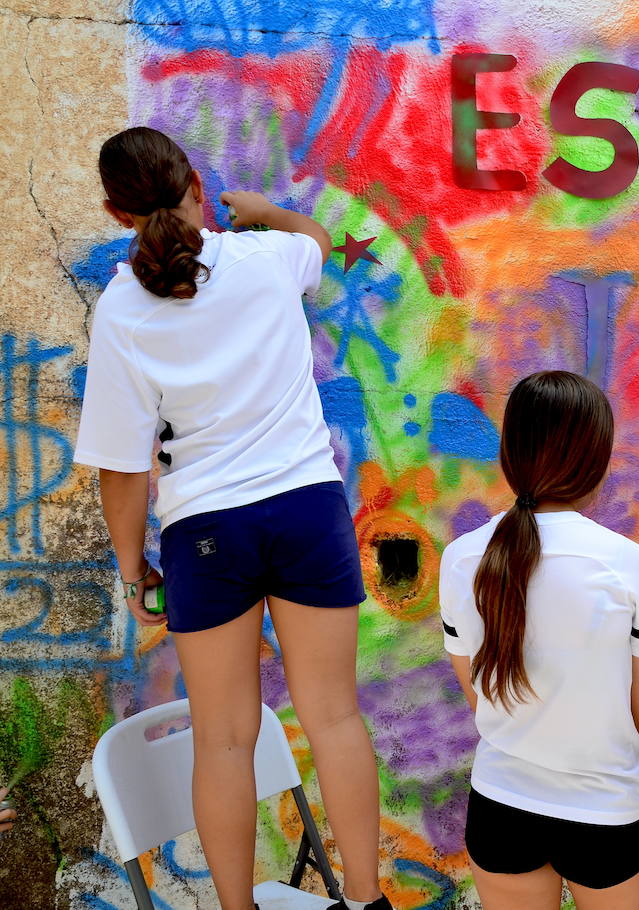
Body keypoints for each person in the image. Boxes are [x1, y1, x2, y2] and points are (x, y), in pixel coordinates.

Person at [75, 127, 390, 910]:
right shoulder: (266, 257)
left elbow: (122, 468)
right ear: (195, 183)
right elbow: (316, 239)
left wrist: (133, 574)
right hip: (307, 507)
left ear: (116, 213)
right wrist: (264, 211)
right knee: (335, 718)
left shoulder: (121, 310)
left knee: (221, 741)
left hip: (206, 533)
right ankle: (365, 899)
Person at [439, 370, 639, 910]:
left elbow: (478, 695)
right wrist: (618, 770)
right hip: (604, 812)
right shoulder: (626, 563)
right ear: (596, 460)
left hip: (500, 806)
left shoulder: (461, 558)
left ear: (511, 453)